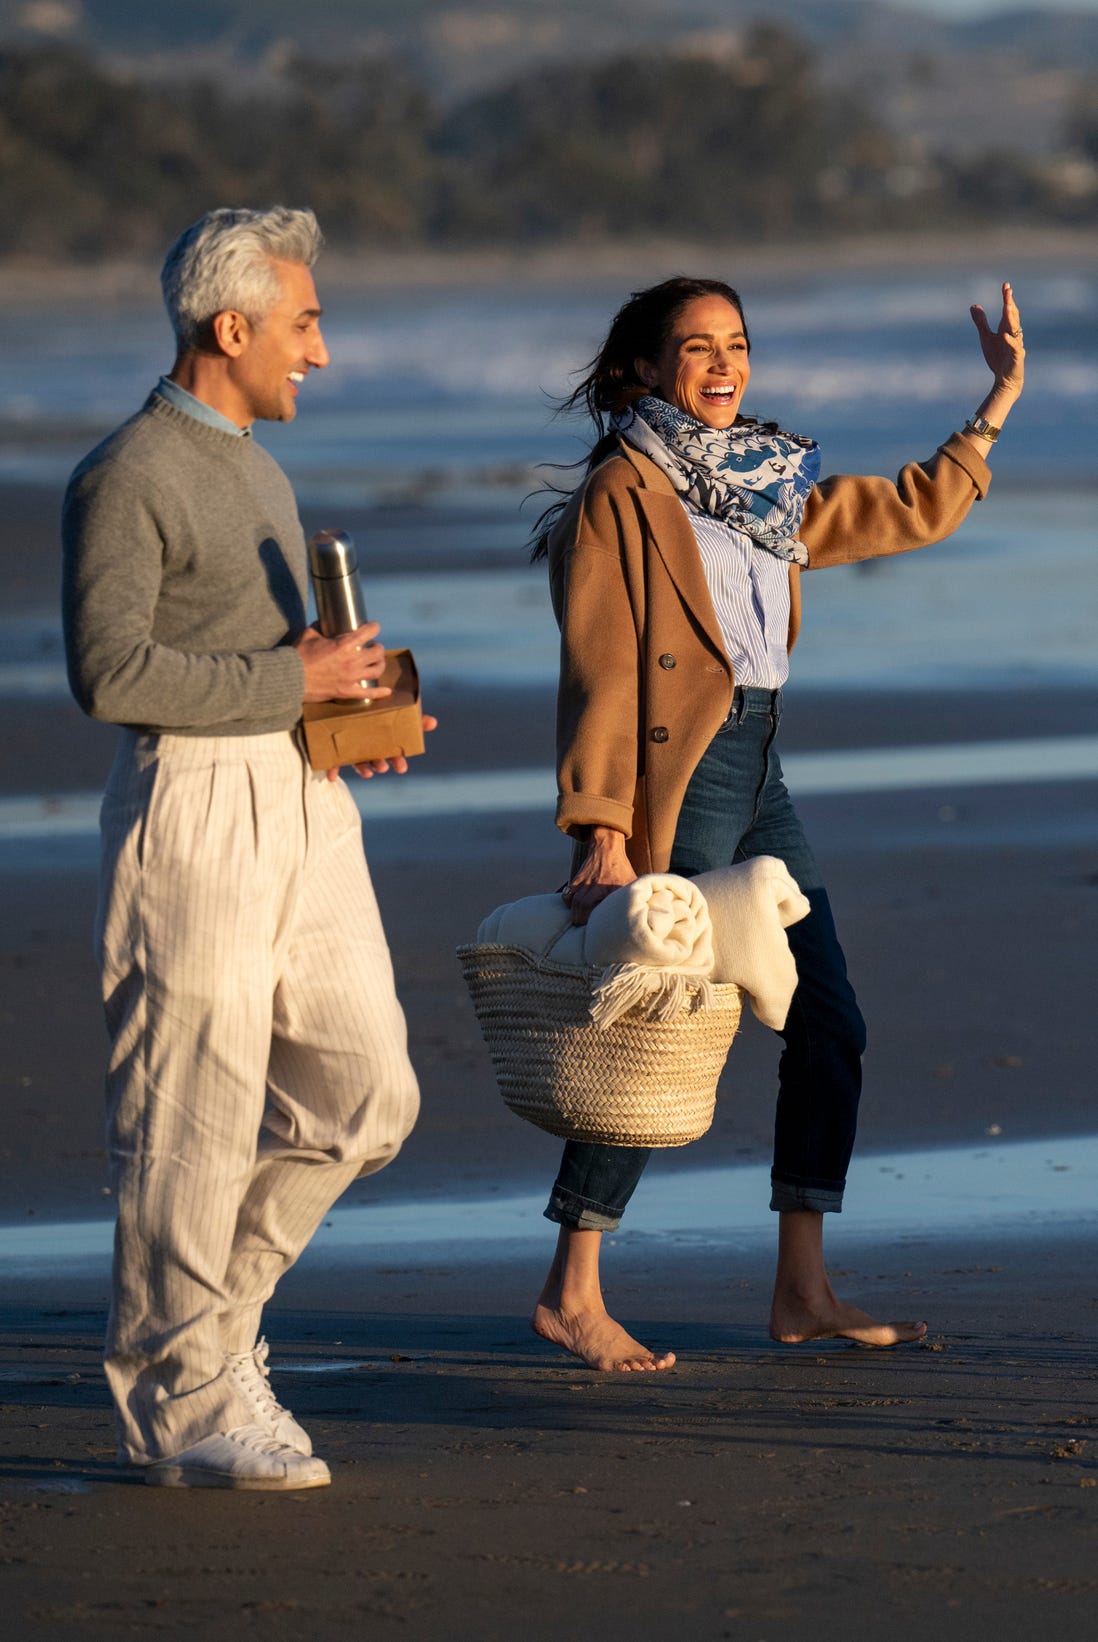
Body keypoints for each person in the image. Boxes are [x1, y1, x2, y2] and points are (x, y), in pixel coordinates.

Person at [529, 274, 1025, 1372]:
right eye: (697, 348)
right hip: (682, 775)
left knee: (828, 1015)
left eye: (738, 345)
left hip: (761, 770)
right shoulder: (628, 490)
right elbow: (603, 669)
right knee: (659, 1019)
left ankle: (802, 1287)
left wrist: (994, 405)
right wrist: (601, 826)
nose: (723, 365)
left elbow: (898, 507)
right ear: (648, 369)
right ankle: (573, 1288)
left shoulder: (758, 483)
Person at [62, 207, 431, 1487]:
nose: (318, 353)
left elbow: (268, 662)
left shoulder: (261, 470)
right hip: (191, 805)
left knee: (369, 1092)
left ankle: (213, 1334)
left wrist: (343, 708)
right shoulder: (126, 475)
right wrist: (291, 676)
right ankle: (180, 1407)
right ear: (233, 329)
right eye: (305, 322)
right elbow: (109, 673)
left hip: (301, 793)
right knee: (189, 1121)